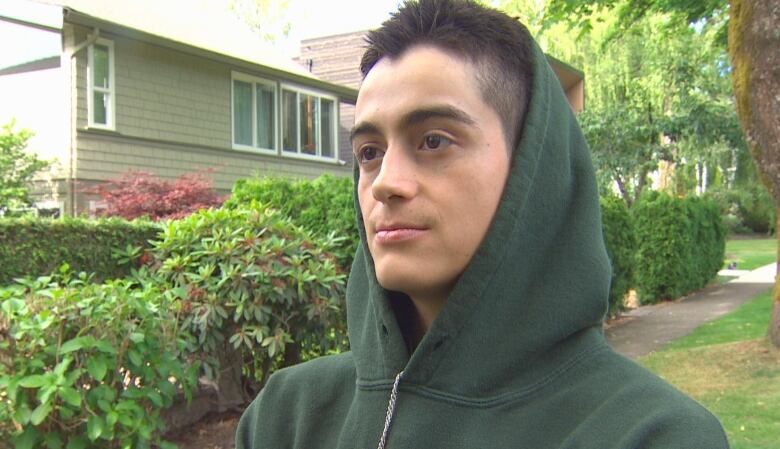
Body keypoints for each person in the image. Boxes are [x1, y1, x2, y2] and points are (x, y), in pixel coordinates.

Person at [236, 0, 729, 447]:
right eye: (369, 152)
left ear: (532, 169)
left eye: (433, 141)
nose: (386, 182)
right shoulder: (286, 418)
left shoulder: (648, 434)